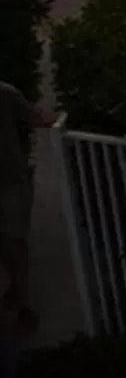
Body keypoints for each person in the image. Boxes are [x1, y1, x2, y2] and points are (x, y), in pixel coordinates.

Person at [0, 78, 55, 354]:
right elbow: (35, 118)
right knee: (11, 243)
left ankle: (22, 304)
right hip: (11, 181)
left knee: (14, 241)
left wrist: (51, 120)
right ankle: (17, 296)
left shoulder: (5, 93)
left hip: (10, 181)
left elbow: (34, 118)